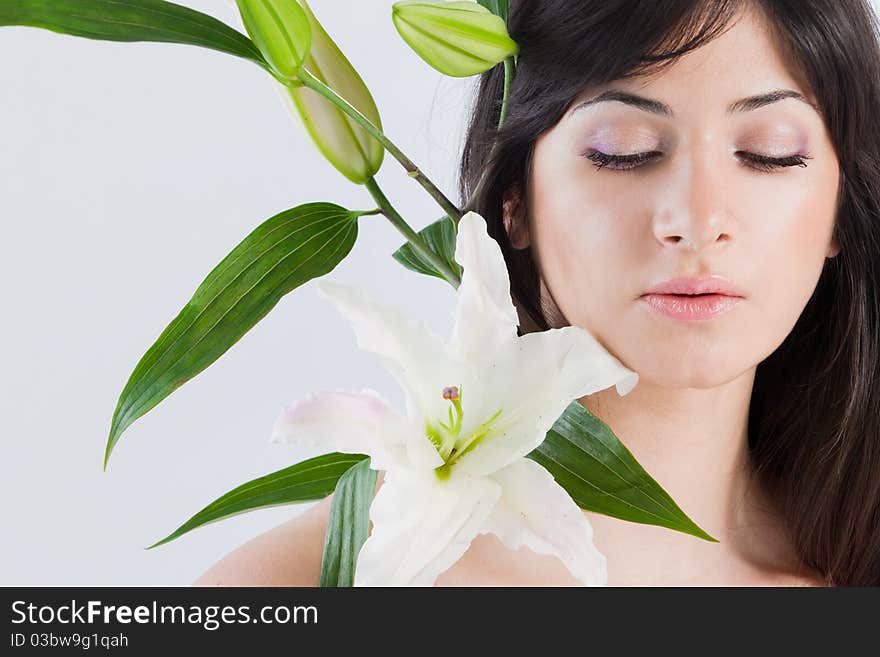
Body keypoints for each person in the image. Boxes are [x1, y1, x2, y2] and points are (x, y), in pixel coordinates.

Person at [194, 0, 880, 587]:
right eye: (625, 149)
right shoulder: (324, 581)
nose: (698, 221)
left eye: (769, 151)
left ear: (840, 209)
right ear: (514, 200)